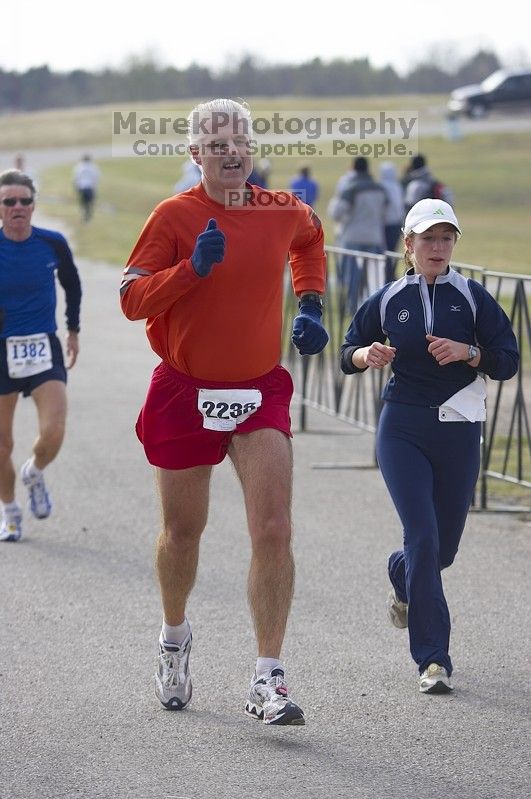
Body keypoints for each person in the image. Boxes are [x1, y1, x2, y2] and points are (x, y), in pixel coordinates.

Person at [120, 98, 328, 725]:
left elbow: (311, 242)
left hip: (259, 390)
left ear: (252, 148)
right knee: (184, 534)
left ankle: (268, 678)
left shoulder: (282, 210)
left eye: (240, 141)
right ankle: (174, 639)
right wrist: (191, 270)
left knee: (273, 529)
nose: (231, 152)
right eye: (217, 145)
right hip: (185, 389)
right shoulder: (174, 215)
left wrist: (312, 305)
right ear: (196, 156)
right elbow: (131, 297)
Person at [340, 199, 518, 694]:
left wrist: (471, 352)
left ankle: (402, 576)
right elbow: (346, 353)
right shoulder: (389, 297)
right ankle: (433, 659)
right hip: (402, 428)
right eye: (428, 238)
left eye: (446, 238)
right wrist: (365, 353)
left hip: (458, 427)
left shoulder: (473, 296)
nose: (437, 247)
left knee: (439, 550)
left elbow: (508, 360)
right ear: (409, 244)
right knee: (421, 535)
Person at [0, 169, 82, 542]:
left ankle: (33, 473)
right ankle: (10, 511)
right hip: (2, 349)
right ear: (0, 208)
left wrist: (73, 328)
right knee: (2, 445)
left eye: (24, 201)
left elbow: (71, 283)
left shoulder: (52, 243)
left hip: (43, 346)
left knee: (53, 431)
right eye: (9, 201)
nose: (18, 207)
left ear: (33, 205)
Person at [327, 156, 387, 310]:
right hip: (374, 236)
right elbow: (385, 211)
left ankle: (352, 306)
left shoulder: (351, 188)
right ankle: (373, 307)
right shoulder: (379, 188)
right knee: (373, 276)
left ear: (353, 168)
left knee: (352, 276)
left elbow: (336, 213)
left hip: (353, 236)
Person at [378, 161, 405, 283]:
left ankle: (387, 276)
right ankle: (391, 274)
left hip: (385, 224)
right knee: (392, 251)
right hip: (397, 223)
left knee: (385, 252)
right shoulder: (397, 186)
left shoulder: (381, 186)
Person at [73, 154, 100, 222]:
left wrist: (75, 187)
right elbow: (96, 177)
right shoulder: (93, 167)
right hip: (90, 187)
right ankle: (88, 216)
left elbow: (76, 177)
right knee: (89, 202)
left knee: (83, 202)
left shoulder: (79, 166)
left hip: (81, 187)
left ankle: (83, 215)